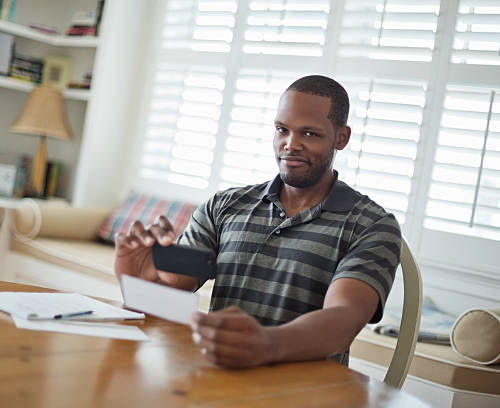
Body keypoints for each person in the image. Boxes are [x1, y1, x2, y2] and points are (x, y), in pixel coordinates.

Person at [115, 75, 402, 368]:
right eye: (282, 130)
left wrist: (266, 344)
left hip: (308, 393)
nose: (291, 144)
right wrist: (141, 283)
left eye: (310, 134)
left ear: (341, 137)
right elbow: (169, 292)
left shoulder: (373, 226)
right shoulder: (223, 207)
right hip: (216, 381)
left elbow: (344, 320)